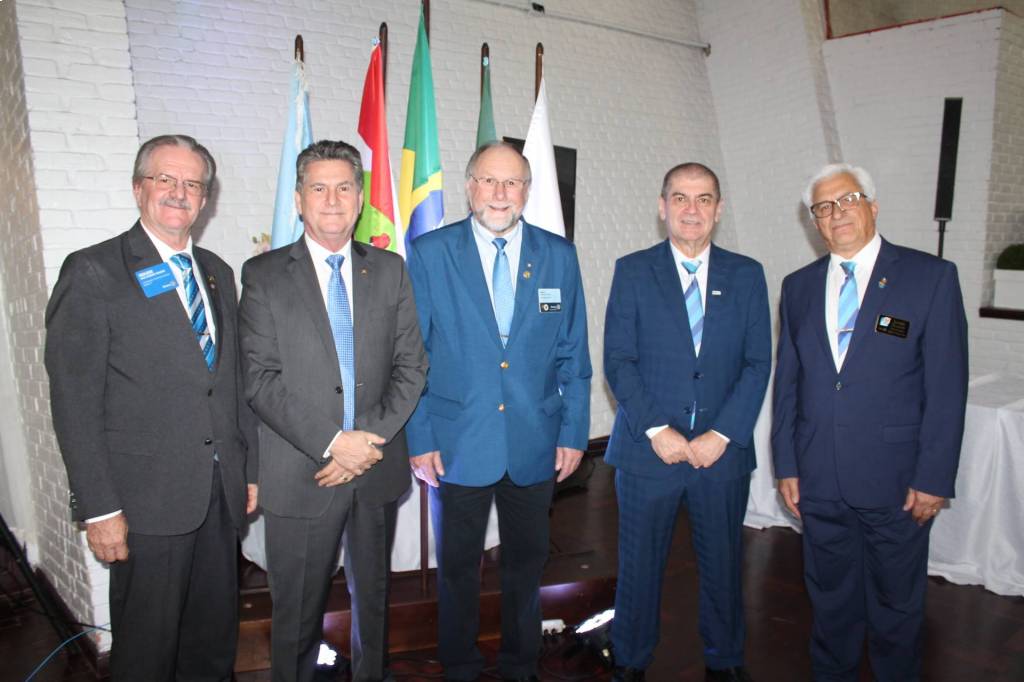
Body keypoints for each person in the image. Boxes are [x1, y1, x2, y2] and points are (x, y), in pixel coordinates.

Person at [44, 134, 257, 681]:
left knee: (212, 642)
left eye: (192, 184)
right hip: (145, 504)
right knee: (147, 652)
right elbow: (74, 402)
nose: (179, 193)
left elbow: (230, 382)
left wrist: (248, 470)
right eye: (165, 179)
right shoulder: (93, 272)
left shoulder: (216, 271)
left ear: (205, 198)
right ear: (139, 188)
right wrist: (99, 509)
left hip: (218, 494)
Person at [238, 139, 427, 682]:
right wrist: (334, 444)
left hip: (374, 468)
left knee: (374, 605)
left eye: (344, 187)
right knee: (295, 619)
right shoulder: (264, 275)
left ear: (361, 198)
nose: (332, 200)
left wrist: (363, 444)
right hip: (302, 474)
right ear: (298, 199)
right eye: (318, 188)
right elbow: (259, 379)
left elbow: (412, 366)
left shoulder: (389, 269)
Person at [772, 163, 968, 681]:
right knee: (829, 601)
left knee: (896, 607)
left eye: (847, 200)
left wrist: (933, 478)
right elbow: (788, 382)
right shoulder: (798, 287)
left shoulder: (930, 277)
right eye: (823, 207)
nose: (836, 213)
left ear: (873, 206)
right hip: (819, 478)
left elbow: (947, 388)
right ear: (814, 221)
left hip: (897, 481)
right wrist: (787, 464)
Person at [405, 141, 591, 682]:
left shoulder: (558, 256)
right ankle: (460, 666)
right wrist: (420, 437)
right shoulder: (431, 253)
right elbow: (412, 356)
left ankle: (520, 665)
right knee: (458, 569)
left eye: (512, 182)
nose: (500, 193)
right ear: (469, 187)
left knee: (526, 567)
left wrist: (574, 433)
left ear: (527, 191)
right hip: (457, 442)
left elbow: (574, 354)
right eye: (489, 180)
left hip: (536, 440)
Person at [603, 163, 771, 682]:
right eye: (680, 198)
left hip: (721, 455)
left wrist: (722, 434)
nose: (691, 209)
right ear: (662, 207)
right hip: (647, 450)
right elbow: (619, 361)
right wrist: (658, 430)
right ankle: (630, 658)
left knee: (723, 563)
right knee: (638, 565)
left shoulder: (747, 274)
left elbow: (757, 363)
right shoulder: (633, 270)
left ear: (719, 209)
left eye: (703, 199)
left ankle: (725, 659)